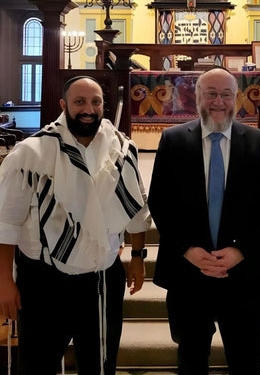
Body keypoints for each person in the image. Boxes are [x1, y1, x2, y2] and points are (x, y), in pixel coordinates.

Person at [0, 76, 151, 375]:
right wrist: (4, 280)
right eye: (79, 102)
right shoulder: (32, 153)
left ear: (103, 106)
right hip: (44, 279)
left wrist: (137, 256)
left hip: (101, 278)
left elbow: (136, 208)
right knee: (37, 364)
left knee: (100, 365)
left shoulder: (122, 149)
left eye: (95, 102)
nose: (88, 109)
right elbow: (7, 221)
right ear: (63, 105)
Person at [148, 67, 260, 375]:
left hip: (243, 273)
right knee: (191, 359)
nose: (218, 102)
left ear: (237, 98)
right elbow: (160, 202)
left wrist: (240, 251)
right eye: (210, 94)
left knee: (245, 361)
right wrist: (187, 250)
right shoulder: (173, 140)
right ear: (196, 98)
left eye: (226, 94)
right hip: (188, 273)